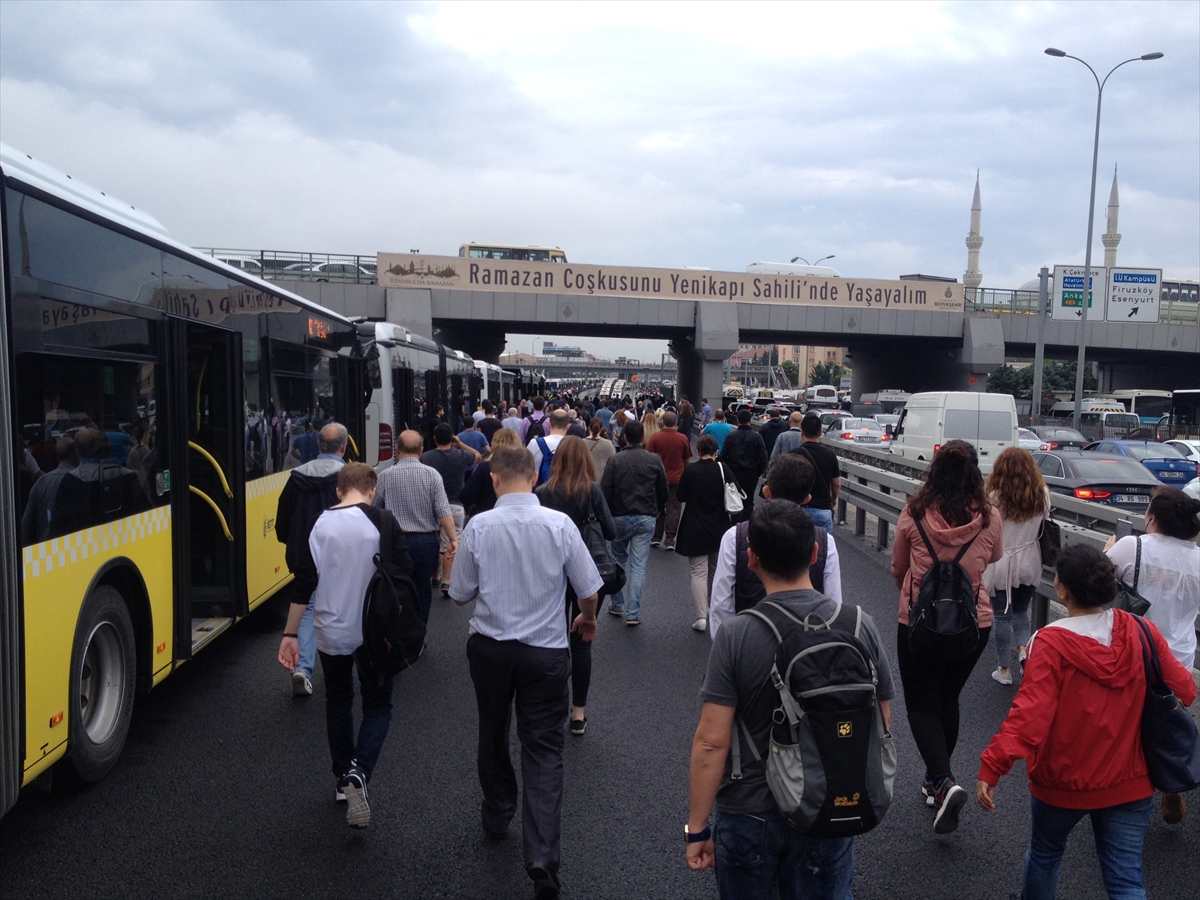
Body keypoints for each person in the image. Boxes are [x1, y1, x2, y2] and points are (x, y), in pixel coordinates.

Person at [687, 500, 895, 899]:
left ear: (752, 560)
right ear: (814, 554)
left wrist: (697, 828)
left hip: (749, 808)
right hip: (829, 802)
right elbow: (881, 720)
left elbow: (711, 742)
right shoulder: (858, 624)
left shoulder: (736, 634)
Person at [977, 544, 1196, 898]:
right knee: (1125, 881)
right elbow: (1185, 688)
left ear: (1061, 588)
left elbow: (1030, 716)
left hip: (1062, 781)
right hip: (1130, 779)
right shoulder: (1141, 631)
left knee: (1046, 856)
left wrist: (993, 766)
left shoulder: (1049, 642)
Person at [449, 446, 603, 900]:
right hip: (546, 653)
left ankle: (498, 813)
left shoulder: (478, 526)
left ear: (493, 480)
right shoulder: (559, 525)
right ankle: (542, 857)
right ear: (535, 477)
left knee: (492, 730)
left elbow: (459, 594)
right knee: (543, 749)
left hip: (492, 650)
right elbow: (589, 587)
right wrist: (587, 618)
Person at [277, 462, 414, 828]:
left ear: (338, 490)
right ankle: (360, 771)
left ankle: (342, 777)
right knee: (379, 705)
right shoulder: (382, 521)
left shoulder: (319, 525)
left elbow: (304, 584)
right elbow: (405, 571)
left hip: (331, 629)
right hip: (375, 632)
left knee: (338, 701)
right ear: (372, 490)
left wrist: (290, 636)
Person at [891, 440, 1003, 834]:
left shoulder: (914, 512)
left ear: (933, 471)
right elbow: (994, 558)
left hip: (919, 623)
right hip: (974, 624)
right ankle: (936, 779)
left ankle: (941, 780)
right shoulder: (990, 518)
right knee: (947, 698)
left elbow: (899, 567)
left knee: (921, 703)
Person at [1105, 485, 1200, 825]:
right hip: (1180, 658)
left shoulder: (1133, 546)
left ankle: (1129, 792)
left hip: (1135, 651)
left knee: (1127, 721)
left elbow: (1098, 580)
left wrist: (1108, 550)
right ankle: (1169, 782)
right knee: (1165, 721)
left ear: (1154, 518)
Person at [709, 452, 843, 637]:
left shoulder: (735, 537)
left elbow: (721, 602)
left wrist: (726, 645)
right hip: (806, 650)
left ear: (767, 492)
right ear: (807, 498)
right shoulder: (825, 541)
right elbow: (833, 603)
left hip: (750, 642)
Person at [535, 436, 616, 736]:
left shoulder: (542, 492)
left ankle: (551, 704)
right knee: (582, 644)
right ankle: (578, 712)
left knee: (552, 641)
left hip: (551, 574)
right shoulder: (592, 491)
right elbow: (611, 530)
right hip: (588, 573)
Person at [274, 422, 348, 697]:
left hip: (303, 554)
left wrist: (290, 541)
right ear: (343, 447)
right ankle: (342, 660)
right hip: (338, 553)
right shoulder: (348, 476)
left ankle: (302, 668)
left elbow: (283, 520)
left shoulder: (297, 476)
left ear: (318, 446)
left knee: (306, 606)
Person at [982, 447, 1051, 686]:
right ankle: (1024, 650)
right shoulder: (1042, 494)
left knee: (1001, 616)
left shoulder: (993, 498)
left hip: (1002, 562)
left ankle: (1004, 668)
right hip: (1030, 560)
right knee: (1021, 612)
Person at [374, 429, 459, 623]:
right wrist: (453, 539)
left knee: (396, 588)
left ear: (397, 449)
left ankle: (397, 633)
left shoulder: (385, 476)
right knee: (422, 589)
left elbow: (375, 510)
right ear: (421, 451)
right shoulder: (432, 475)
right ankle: (418, 635)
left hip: (395, 541)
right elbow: (443, 511)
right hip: (426, 541)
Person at [600, 420, 667, 625]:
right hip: (646, 515)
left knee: (618, 560)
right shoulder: (654, 459)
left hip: (619, 516)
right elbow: (662, 488)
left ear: (625, 437)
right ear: (644, 438)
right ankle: (633, 612)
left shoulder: (615, 460)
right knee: (638, 566)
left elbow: (605, 490)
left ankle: (617, 604)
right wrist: (658, 509)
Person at [673, 435, 732, 632]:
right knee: (715, 570)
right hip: (719, 526)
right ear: (716, 452)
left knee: (698, 571)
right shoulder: (723, 469)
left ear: (698, 452)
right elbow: (736, 492)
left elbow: (681, 496)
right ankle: (713, 608)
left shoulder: (691, 470)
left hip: (695, 525)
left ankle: (701, 616)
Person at [421, 423, 481, 595]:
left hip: (432, 505)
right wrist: (460, 444)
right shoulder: (461, 455)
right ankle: (447, 580)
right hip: (455, 504)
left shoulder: (426, 457)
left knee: (434, 541)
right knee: (450, 544)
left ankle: (435, 575)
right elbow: (477, 456)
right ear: (452, 438)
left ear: (434, 439)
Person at [784, 413, 841, 532]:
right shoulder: (830, 455)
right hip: (822, 509)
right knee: (824, 546)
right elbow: (836, 483)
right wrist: (833, 498)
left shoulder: (793, 455)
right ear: (820, 433)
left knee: (798, 547)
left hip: (798, 509)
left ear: (802, 431)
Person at [647, 411, 693, 550]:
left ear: (662, 422)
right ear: (676, 423)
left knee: (658, 507)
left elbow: (649, 458)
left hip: (658, 479)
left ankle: (656, 537)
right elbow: (687, 459)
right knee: (674, 509)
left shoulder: (655, 438)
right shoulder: (683, 438)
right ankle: (670, 539)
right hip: (676, 479)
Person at [20, 435, 78, 544]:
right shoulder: (79, 479)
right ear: (75, 455)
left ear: (57, 456)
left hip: (44, 546)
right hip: (72, 545)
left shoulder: (41, 482)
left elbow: (26, 524)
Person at [460, 427, 522, 516]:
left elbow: (465, 497)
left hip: (487, 515)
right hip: (517, 516)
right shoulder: (523, 468)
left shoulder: (485, 467)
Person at [719, 409, 767, 522]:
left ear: (737, 420)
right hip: (751, 474)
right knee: (749, 501)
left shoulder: (731, 436)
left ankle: (735, 526)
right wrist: (757, 472)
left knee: (735, 500)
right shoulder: (757, 437)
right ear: (750, 420)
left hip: (734, 474)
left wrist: (728, 473)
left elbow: (723, 456)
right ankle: (747, 526)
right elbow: (763, 458)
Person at [528, 409, 571, 482]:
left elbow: (525, 468)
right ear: (568, 426)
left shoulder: (534, 443)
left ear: (549, 424)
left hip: (540, 490)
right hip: (567, 490)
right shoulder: (573, 446)